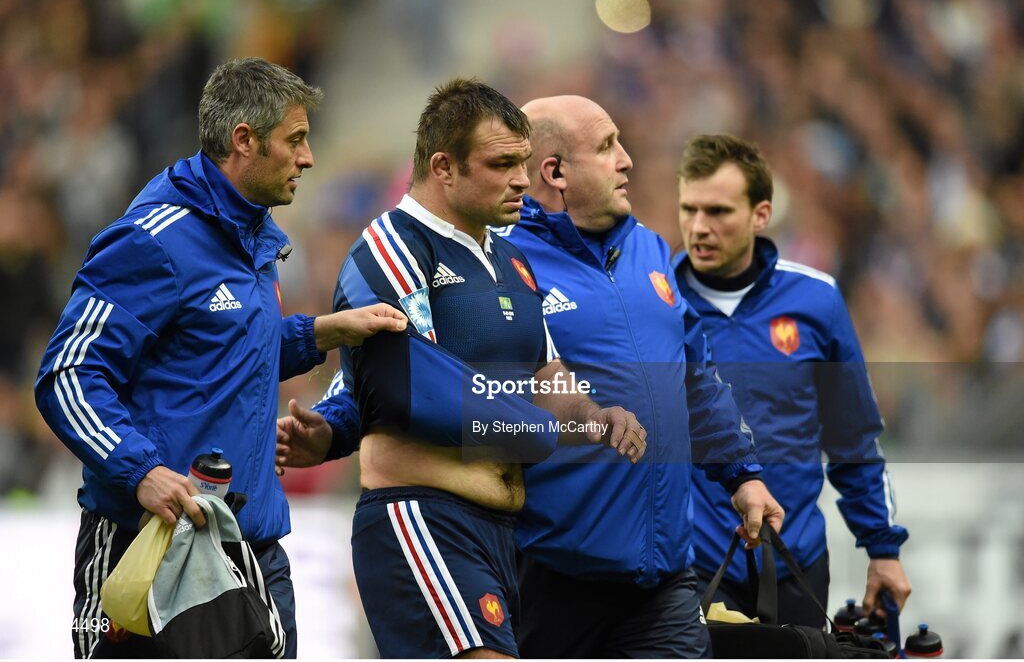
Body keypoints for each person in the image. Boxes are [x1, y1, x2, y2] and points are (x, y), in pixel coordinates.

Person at [34, 57, 407, 659]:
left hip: (254, 552)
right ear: (244, 141)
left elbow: (220, 344)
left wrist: (322, 333)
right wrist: (141, 472)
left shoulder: (251, 234)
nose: (308, 158)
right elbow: (68, 374)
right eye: (296, 140)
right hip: (149, 548)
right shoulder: (153, 239)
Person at [275, 78, 647, 659]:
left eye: (523, 162)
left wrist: (593, 417)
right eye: (502, 164)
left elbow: (545, 376)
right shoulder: (393, 244)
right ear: (444, 167)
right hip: (422, 518)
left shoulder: (512, 259)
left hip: (500, 533)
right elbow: (410, 384)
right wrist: (538, 430)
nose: (522, 179)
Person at [483, 94, 782, 658]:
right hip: (549, 580)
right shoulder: (498, 264)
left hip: (663, 579)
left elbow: (696, 379)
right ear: (555, 172)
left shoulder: (648, 248)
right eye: (606, 147)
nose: (627, 160)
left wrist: (743, 475)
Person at [673, 133, 911, 628]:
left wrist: (882, 548)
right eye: (688, 209)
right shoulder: (656, 301)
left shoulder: (817, 300)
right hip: (688, 565)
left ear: (761, 214)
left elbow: (854, 438)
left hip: (795, 562)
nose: (699, 227)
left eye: (718, 212)